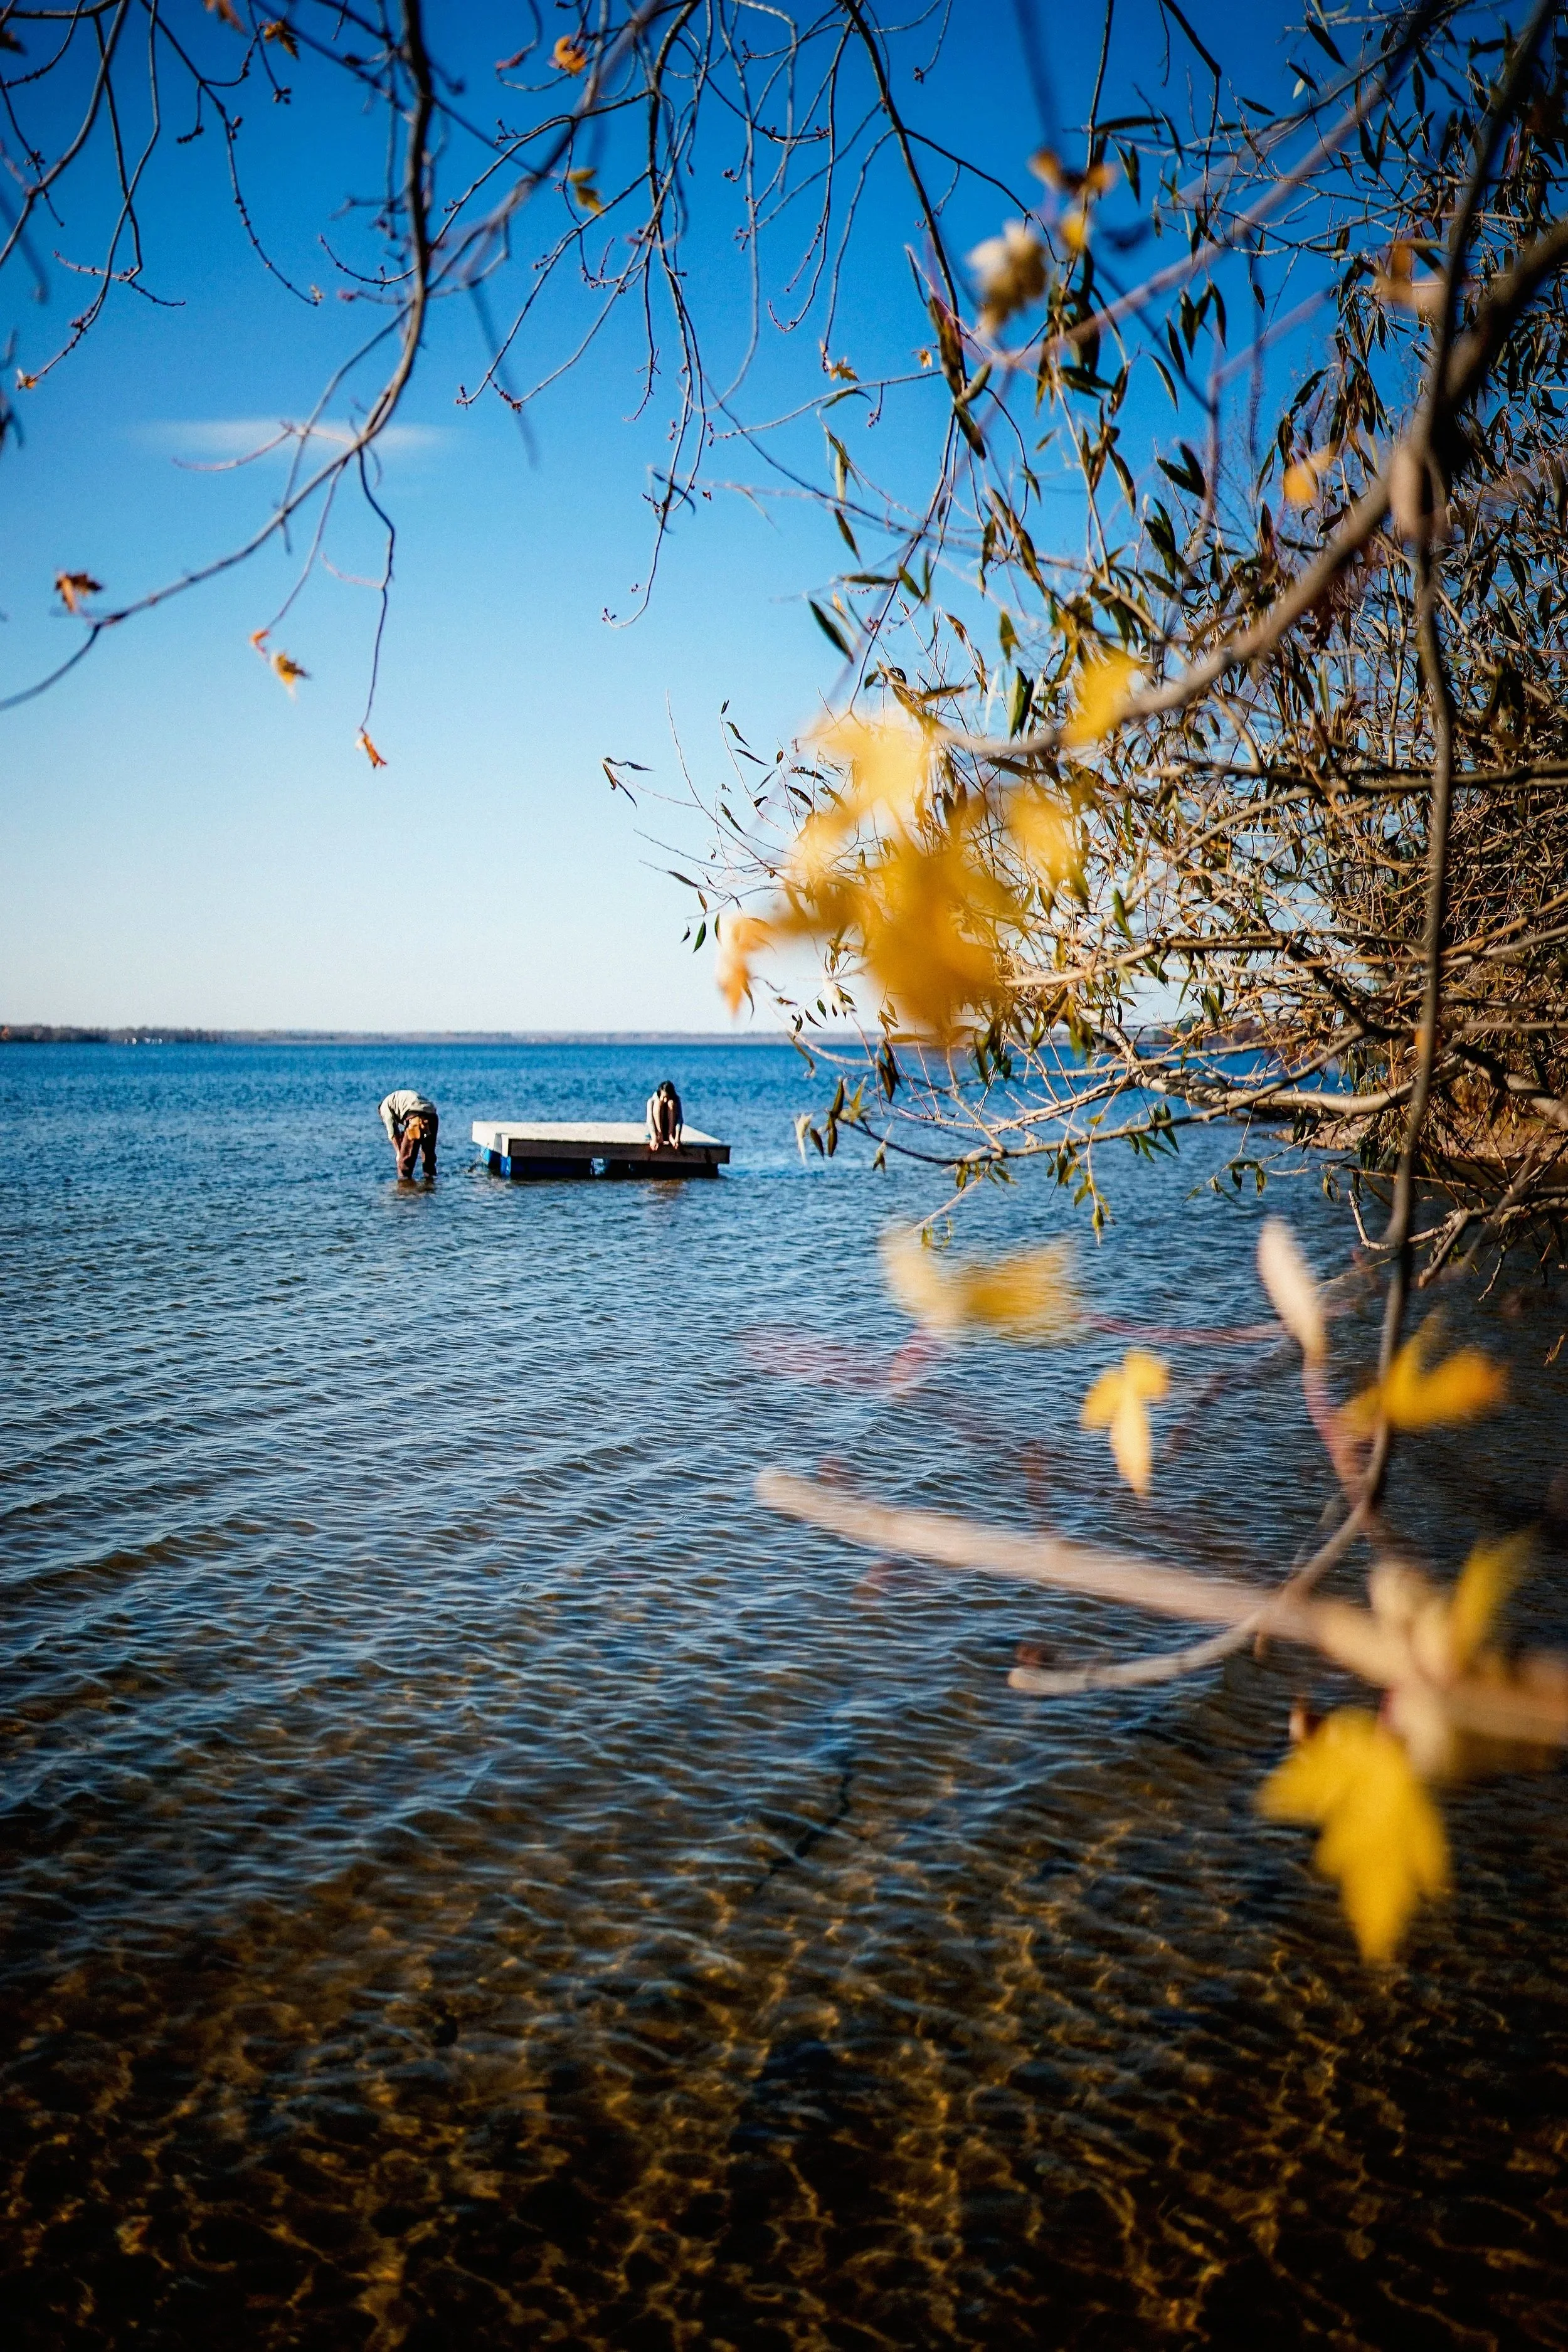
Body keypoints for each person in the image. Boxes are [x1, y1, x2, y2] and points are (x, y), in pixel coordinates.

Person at [379, 1088, 439, 1178]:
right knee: (428, 1158)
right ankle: (431, 1186)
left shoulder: (384, 1107)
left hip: (416, 1118)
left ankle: (404, 1189)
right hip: (432, 1116)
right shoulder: (397, 1101)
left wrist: (399, 1154)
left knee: (404, 1164)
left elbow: (393, 1133)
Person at [645, 1078, 683, 1152]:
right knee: (658, 1104)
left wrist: (677, 1138)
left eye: (668, 1097)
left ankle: (670, 1135)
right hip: (656, 1134)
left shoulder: (676, 1101)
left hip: (671, 1133)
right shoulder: (652, 1101)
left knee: (671, 1104)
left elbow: (680, 1120)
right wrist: (654, 1138)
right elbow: (649, 1120)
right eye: (664, 1097)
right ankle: (659, 1134)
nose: (665, 1100)